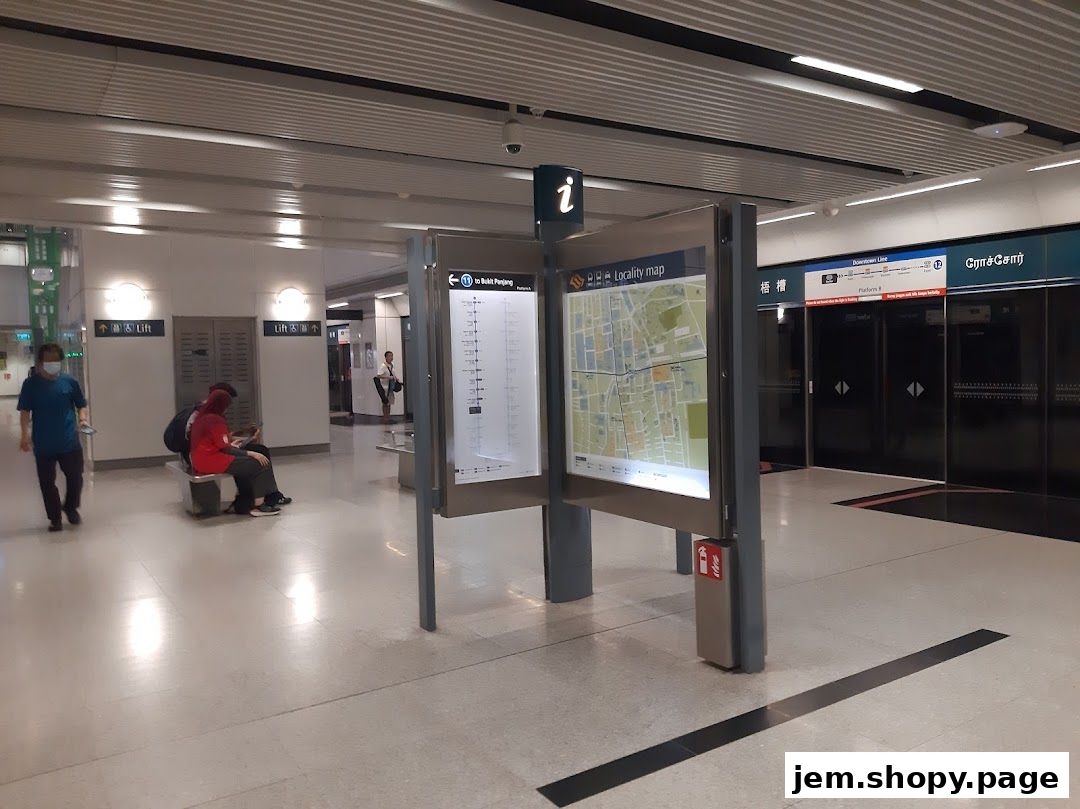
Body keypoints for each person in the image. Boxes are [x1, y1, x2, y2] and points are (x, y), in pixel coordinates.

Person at [17, 343, 89, 532]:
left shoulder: (69, 382)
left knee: (76, 478)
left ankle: (70, 507)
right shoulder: (30, 385)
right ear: (40, 362)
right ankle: (55, 518)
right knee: (47, 483)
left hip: (69, 441)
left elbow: (81, 404)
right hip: (44, 443)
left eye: (55, 360)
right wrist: (24, 435)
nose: (52, 363)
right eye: (48, 360)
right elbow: (24, 411)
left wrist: (82, 419)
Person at [189, 389, 288, 516]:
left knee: (245, 464)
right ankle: (259, 506)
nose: (226, 410)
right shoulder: (215, 420)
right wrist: (252, 454)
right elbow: (226, 448)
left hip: (199, 459)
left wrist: (240, 440)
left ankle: (244, 501)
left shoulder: (202, 417)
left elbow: (217, 442)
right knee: (260, 462)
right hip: (211, 460)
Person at [375, 350, 400, 424]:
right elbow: (378, 375)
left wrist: (395, 378)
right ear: (385, 357)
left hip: (391, 387)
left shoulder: (392, 365)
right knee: (385, 402)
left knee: (389, 402)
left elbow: (392, 374)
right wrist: (388, 377)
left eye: (392, 356)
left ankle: (388, 417)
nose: (391, 357)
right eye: (389, 356)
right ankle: (385, 418)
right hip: (385, 387)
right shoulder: (383, 366)